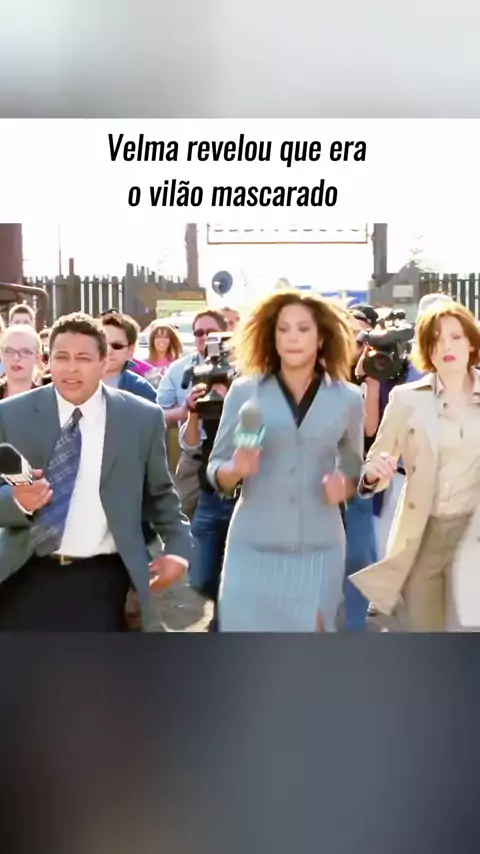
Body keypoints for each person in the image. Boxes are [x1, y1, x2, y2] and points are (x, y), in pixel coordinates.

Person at [0, 312, 192, 631]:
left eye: (83, 358)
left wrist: (178, 551)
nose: (71, 368)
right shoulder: (10, 416)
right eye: (62, 357)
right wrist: (16, 501)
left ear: (104, 362)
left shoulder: (140, 419)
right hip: (24, 572)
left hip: (103, 580)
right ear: (48, 361)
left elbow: (161, 497)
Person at [207, 290, 364, 632]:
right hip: (253, 546)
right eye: (283, 329)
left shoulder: (348, 398)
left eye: (303, 329)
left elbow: (354, 466)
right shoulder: (244, 392)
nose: (292, 337)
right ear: (272, 337)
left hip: (319, 547)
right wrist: (236, 469)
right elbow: (215, 469)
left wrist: (345, 485)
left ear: (320, 339)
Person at [350, 301, 480, 632]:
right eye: (435, 339)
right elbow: (375, 460)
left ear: (471, 342)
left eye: (455, 337)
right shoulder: (406, 399)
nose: (446, 347)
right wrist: (373, 475)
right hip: (422, 538)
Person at [157, 309, 228, 517]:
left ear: (224, 333)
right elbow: (156, 414)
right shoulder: (179, 370)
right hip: (193, 458)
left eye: (211, 332)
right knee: (182, 520)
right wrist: (185, 410)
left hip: (230, 456)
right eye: (198, 333)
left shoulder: (240, 368)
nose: (204, 337)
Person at [98, 311, 157, 403]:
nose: (108, 351)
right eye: (103, 344)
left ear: (130, 350)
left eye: (117, 346)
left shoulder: (141, 389)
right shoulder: (76, 382)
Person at [0, 324, 44, 399]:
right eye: (9, 351)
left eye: (25, 352)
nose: (16, 358)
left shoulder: (48, 400)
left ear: (38, 357)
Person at [146, 319, 183, 388]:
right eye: (158, 337)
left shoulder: (178, 363)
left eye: (166, 337)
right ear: (152, 340)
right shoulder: (144, 364)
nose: (162, 340)